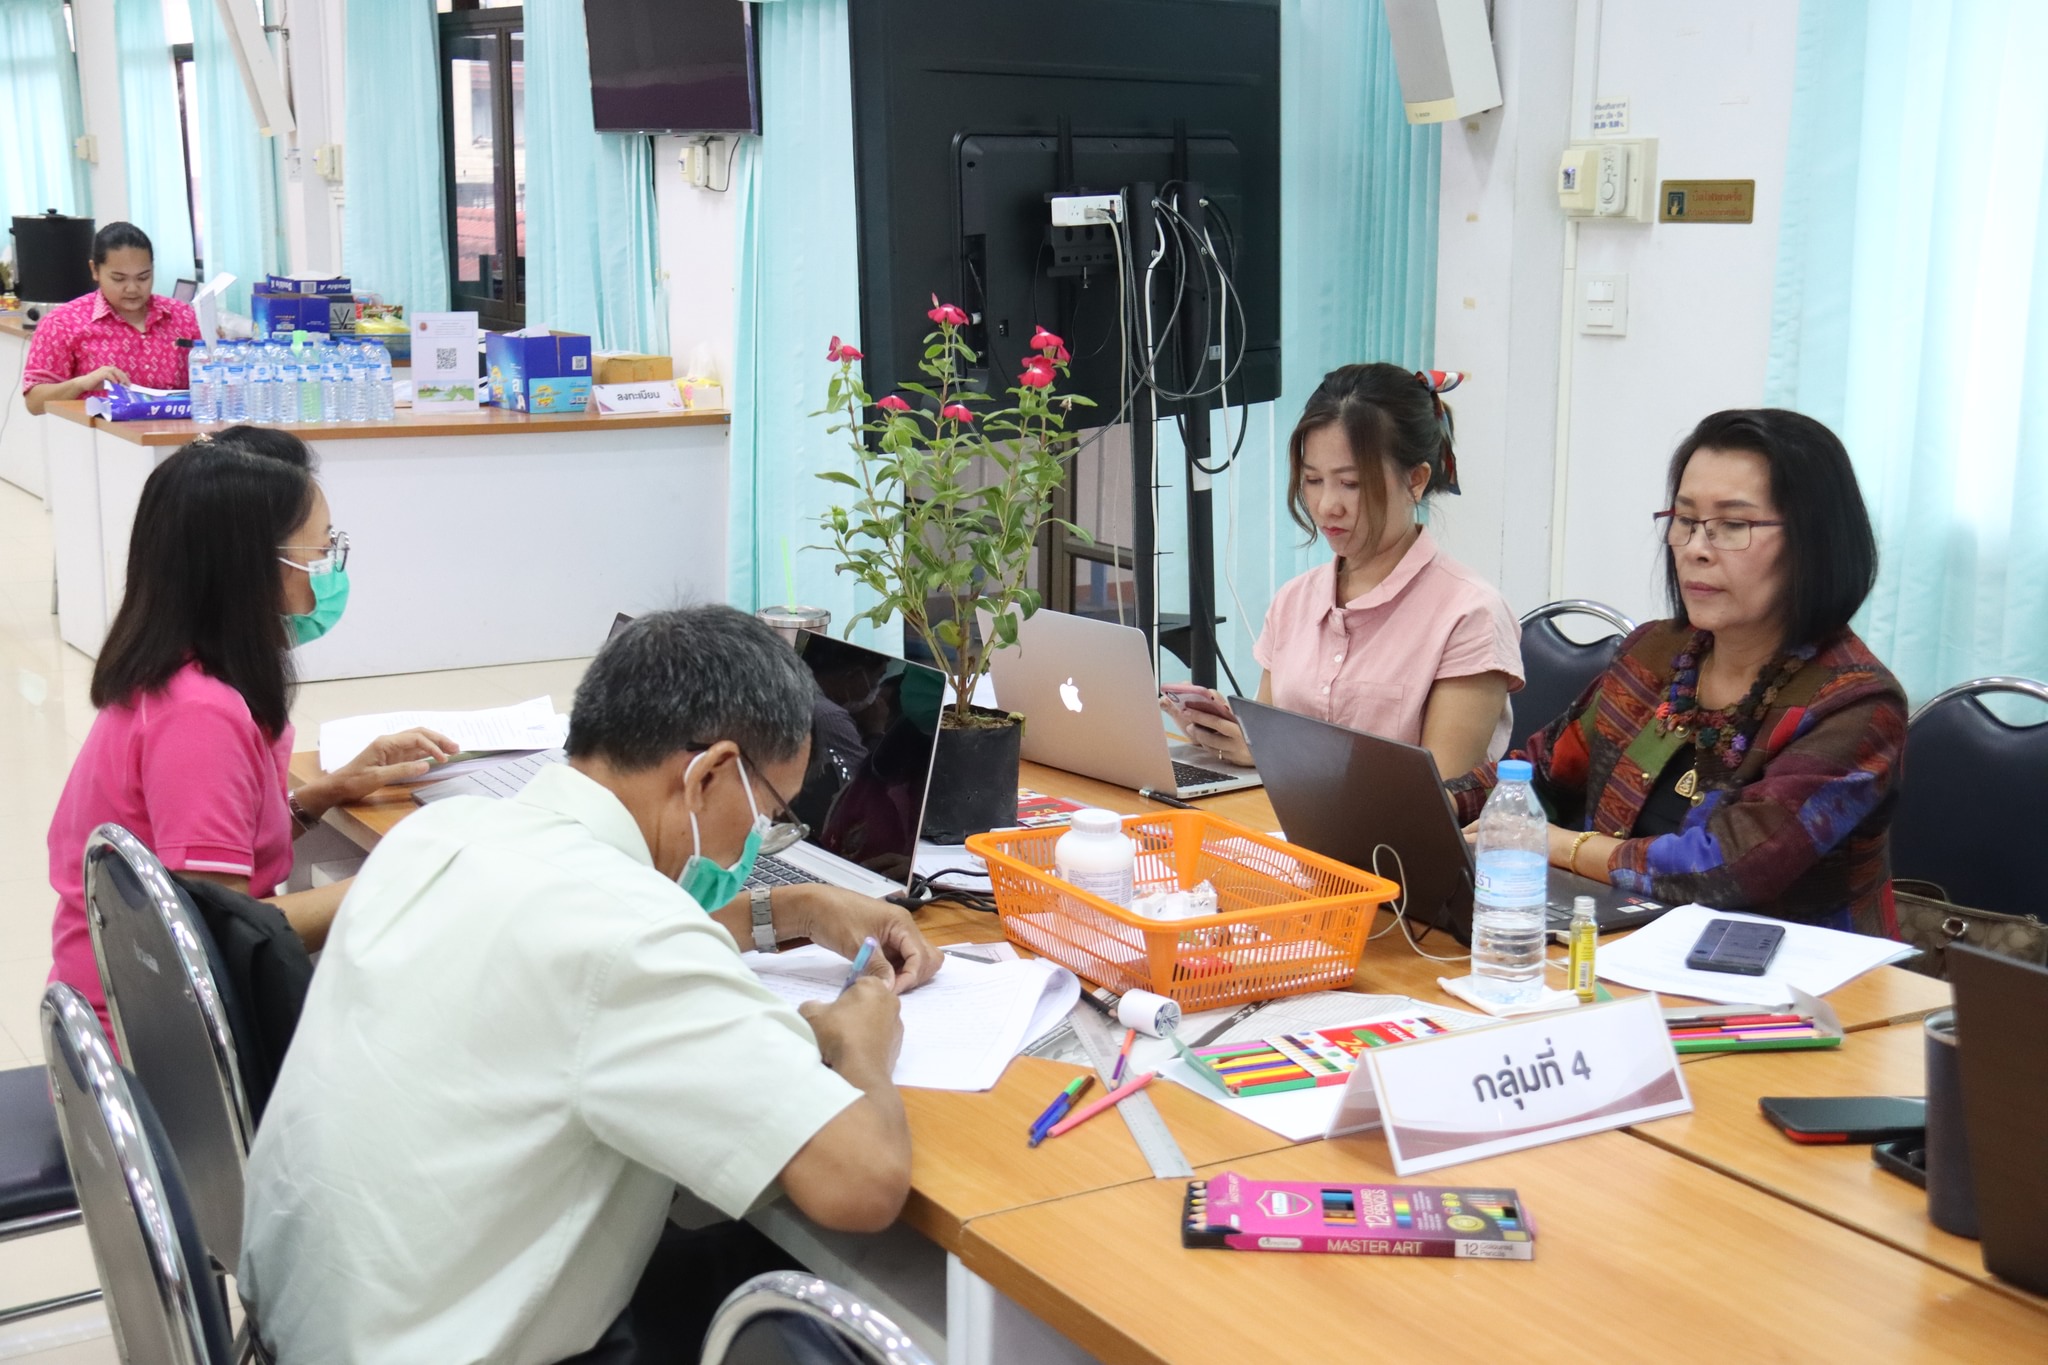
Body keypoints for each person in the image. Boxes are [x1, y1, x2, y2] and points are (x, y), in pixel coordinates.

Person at [239, 606, 943, 1364]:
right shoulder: (632, 939)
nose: (759, 840)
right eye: (771, 814)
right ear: (709, 774)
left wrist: (794, 907)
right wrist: (862, 1042)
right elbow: (864, 1183)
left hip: (302, 1328)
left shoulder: (445, 832)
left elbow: (583, 934)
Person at [45, 428, 453, 1031]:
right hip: (164, 1040)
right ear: (253, 567)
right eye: (321, 548)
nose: (328, 566)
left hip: (146, 1003)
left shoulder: (175, 669)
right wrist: (404, 879)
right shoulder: (199, 714)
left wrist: (322, 795)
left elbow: (202, 851)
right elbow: (220, 932)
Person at [1447, 409, 1907, 933]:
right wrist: (1434, 804)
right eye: (1685, 521)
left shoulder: (1855, 704)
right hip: (1618, 946)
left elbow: (1725, 869)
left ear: (1814, 541)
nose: (1695, 550)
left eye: (1732, 526)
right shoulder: (1655, 654)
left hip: (1786, 972)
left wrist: (1556, 844)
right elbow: (1538, 773)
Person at [1164, 363, 1523, 777]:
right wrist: (1231, 736)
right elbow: (1265, 747)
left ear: (1416, 480)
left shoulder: (1471, 615)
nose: (1326, 506)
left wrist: (1275, 752)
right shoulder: (1295, 600)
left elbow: (1439, 789)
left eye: (1350, 484)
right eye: (1313, 480)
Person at [21, 222, 199, 415]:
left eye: (143, 277)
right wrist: (82, 383)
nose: (132, 289)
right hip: (98, 433)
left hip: (177, 432)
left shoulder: (183, 316)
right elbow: (34, 403)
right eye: (119, 279)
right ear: (95, 270)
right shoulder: (62, 323)